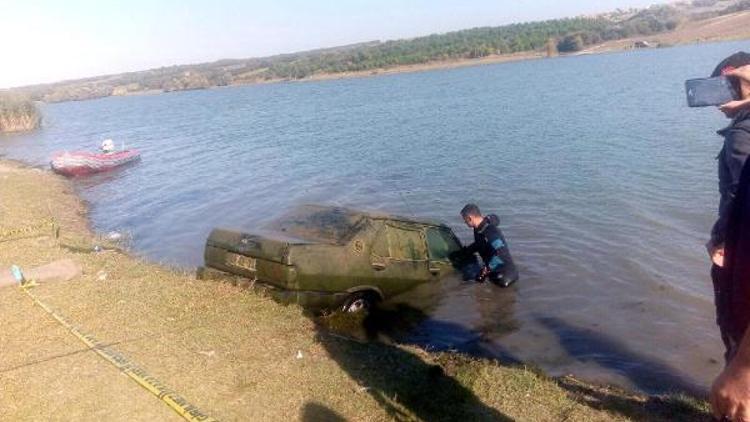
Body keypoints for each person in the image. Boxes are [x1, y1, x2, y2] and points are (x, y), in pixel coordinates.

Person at [707, 59, 750, 421]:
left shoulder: (741, 136)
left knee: (736, 336)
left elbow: (736, 196)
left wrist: (721, 240)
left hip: (739, 261)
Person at [459, 203, 518, 287]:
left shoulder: (490, 231)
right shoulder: (478, 229)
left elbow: (501, 253)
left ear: (470, 218)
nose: (464, 222)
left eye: (465, 220)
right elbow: (479, 244)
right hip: (496, 270)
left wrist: (486, 269)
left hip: (505, 274)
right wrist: (465, 252)